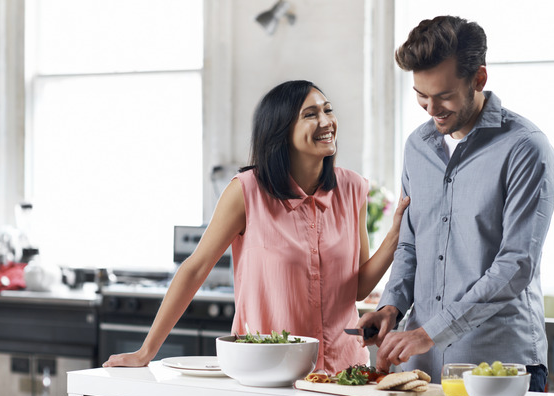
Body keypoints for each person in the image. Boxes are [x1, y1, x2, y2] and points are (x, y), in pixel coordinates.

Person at [104, 80, 409, 372]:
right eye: (310, 114)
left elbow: (357, 288)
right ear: (281, 131)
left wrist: (396, 234)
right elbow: (195, 268)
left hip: (344, 371)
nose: (326, 121)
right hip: (268, 371)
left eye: (327, 110)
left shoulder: (352, 188)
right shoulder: (246, 192)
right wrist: (146, 352)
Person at [358, 16, 554, 392]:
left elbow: (515, 265)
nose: (431, 109)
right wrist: (393, 306)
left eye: (444, 95)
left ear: (478, 79)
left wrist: (430, 332)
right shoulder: (417, 147)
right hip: (422, 364)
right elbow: (410, 243)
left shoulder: (526, 148)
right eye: (421, 94)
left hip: (500, 365)